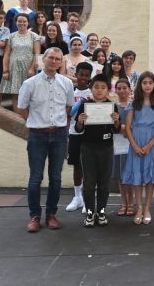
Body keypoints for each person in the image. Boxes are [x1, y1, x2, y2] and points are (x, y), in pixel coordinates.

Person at [18, 47, 74, 232]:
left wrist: (60, 127)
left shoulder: (66, 83)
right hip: (37, 135)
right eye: (51, 58)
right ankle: (34, 216)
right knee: (35, 178)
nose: (54, 61)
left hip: (59, 134)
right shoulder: (30, 83)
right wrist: (35, 122)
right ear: (44, 59)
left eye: (58, 59)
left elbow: (68, 108)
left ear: (61, 62)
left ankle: (51, 214)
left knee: (56, 178)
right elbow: (22, 108)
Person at [74, 74, 121, 227]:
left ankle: (101, 211)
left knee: (104, 183)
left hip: (106, 148)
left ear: (108, 89)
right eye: (96, 87)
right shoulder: (84, 104)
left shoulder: (112, 105)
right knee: (88, 183)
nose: (99, 90)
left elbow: (117, 129)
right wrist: (80, 121)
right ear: (91, 88)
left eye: (103, 87)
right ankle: (89, 212)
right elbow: (78, 129)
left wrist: (116, 121)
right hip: (88, 148)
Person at [124, 71, 154, 225]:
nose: (147, 85)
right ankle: (139, 207)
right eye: (144, 83)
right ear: (140, 85)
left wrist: (149, 145)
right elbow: (128, 127)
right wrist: (135, 146)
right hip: (135, 142)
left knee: (149, 177)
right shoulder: (133, 103)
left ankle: (147, 207)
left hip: (152, 144)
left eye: (150, 83)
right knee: (137, 177)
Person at [64, 62, 94, 214]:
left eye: (86, 76)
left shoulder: (92, 93)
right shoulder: (70, 92)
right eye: (81, 74)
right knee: (77, 165)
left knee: (89, 166)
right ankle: (77, 197)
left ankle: (88, 197)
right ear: (76, 75)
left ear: (90, 77)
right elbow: (66, 113)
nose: (83, 78)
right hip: (74, 133)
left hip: (89, 135)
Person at [0, 13, 40, 114]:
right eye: (19, 21)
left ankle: (29, 117)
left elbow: (36, 53)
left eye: (24, 21)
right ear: (16, 22)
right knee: (16, 94)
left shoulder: (34, 36)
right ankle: (17, 117)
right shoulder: (11, 36)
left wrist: (31, 68)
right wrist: (5, 70)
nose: (22, 23)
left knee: (30, 94)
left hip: (28, 69)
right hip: (14, 68)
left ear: (28, 22)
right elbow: (7, 54)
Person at [114, 78, 134, 216]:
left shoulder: (134, 106)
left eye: (124, 88)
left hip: (130, 143)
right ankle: (124, 202)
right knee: (120, 175)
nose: (122, 91)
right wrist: (119, 127)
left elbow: (137, 124)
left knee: (129, 174)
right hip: (116, 144)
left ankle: (131, 203)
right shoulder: (112, 106)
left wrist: (126, 128)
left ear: (129, 89)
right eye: (119, 88)